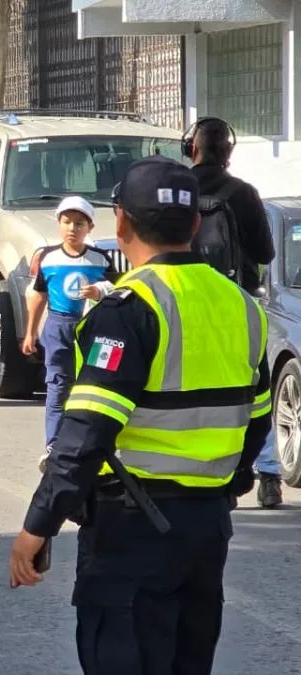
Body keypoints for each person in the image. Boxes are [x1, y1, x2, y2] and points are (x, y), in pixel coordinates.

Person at [9, 156, 271, 674]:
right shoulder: (243, 306)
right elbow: (257, 420)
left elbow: (84, 433)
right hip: (206, 529)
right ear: (195, 224)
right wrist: (223, 488)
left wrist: (38, 525)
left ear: (120, 221)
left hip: (133, 528)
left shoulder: (129, 308)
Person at [185, 116, 282, 508]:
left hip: (184, 304)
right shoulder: (243, 193)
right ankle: (269, 474)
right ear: (229, 153)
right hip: (237, 305)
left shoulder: (176, 189)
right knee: (256, 386)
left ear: (191, 147)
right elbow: (265, 254)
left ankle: (198, 468)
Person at [22, 196, 118, 469]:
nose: (72, 228)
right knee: (58, 385)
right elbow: (39, 296)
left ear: (90, 227)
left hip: (92, 328)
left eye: (79, 223)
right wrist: (30, 332)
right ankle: (53, 445)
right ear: (58, 224)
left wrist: (100, 290)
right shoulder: (48, 258)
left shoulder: (99, 258)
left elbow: (119, 290)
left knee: (96, 384)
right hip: (58, 327)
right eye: (66, 222)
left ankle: (93, 443)